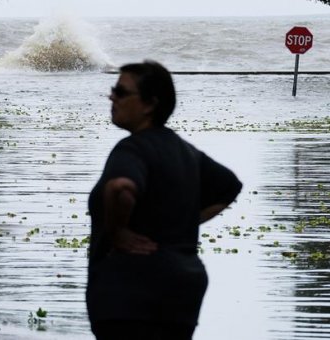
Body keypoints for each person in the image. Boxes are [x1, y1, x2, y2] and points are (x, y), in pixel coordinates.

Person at [86, 61, 242, 340]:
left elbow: (120, 188)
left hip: (129, 293)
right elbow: (228, 188)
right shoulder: (185, 151)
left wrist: (118, 232)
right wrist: (181, 223)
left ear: (149, 105)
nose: (112, 97)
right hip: (183, 290)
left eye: (121, 92)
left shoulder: (131, 149)